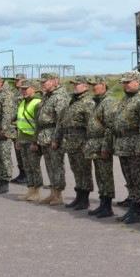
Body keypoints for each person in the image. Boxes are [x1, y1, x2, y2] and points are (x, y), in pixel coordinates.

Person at [54, 76, 96, 210]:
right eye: (74, 84)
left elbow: (91, 126)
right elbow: (61, 122)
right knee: (76, 170)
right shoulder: (71, 101)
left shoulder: (88, 102)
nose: (75, 86)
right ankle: (79, 196)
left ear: (86, 86)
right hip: (70, 142)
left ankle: (85, 198)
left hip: (81, 142)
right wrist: (57, 138)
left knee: (84, 171)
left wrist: (88, 144)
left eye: (78, 84)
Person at [113, 71, 140, 224]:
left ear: (137, 82)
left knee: (137, 179)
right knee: (129, 178)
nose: (125, 85)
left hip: (135, 145)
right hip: (123, 144)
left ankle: (137, 210)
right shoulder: (125, 99)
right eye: (123, 82)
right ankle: (132, 207)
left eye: (128, 82)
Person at [85, 76, 117, 218]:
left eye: (95, 85)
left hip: (102, 144)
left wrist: (106, 147)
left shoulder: (108, 102)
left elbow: (110, 127)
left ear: (104, 86)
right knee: (100, 175)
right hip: (95, 144)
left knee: (105, 176)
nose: (93, 87)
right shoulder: (97, 101)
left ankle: (107, 206)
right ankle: (102, 204)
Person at [36, 72, 69, 206]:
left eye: (46, 82)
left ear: (55, 81)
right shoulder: (47, 96)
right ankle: (52, 193)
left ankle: (58, 195)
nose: (43, 84)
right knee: (49, 166)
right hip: (44, 135)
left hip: (53, 135)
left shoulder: (59, 97)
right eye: (42, 82)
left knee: (57, 166)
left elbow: (60, 121)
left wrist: (56, 139)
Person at [14, 80, 45, 202]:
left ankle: (36, 191)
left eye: (26, 89)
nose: (23, 91)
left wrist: (35, 141)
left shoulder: (37, 103)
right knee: (27, 167)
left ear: (33, 88)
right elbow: (20, 122)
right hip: (23, 139)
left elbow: (38, 124)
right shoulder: (23, 102)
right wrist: (18, 138)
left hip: (32, 139)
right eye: (22, 89)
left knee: (34, 166)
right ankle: (30, 190)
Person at [11, 73, 29, 184]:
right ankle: (22, 173)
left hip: (23, 126)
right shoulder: (17, 93)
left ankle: (26, 175)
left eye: (19, 80)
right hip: (16, 126)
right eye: (15, 80)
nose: (16, 82)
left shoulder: (25, 94)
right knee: (18, 152)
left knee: (24, 153)